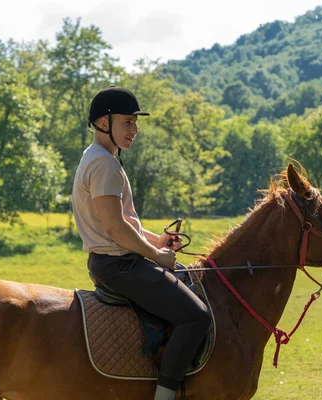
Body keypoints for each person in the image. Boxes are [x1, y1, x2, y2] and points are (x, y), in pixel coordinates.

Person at [72, 86, 211, 400]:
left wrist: (156, 240)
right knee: (196, 316)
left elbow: (124, 222)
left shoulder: (99, 157)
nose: (134, 130)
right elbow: (114, 227)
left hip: (119, 259)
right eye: (127, 122)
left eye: (135, 123)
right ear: (103, 123)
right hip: (119, 265)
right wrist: (155, 255)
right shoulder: (104, 164)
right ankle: (164, 396)